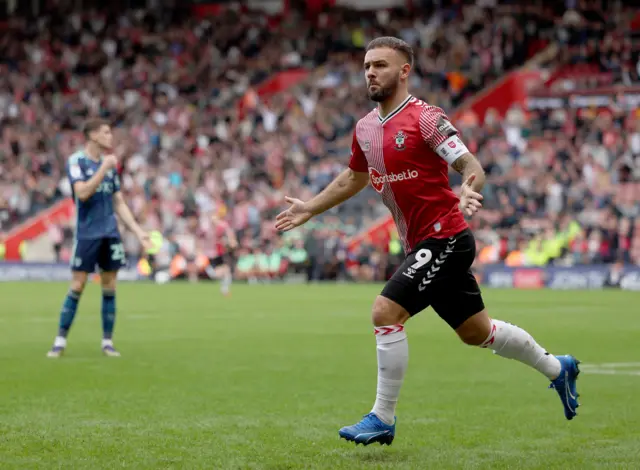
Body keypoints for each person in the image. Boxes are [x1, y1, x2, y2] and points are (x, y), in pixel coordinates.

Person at [275, 37, 580, 446]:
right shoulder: (365, 128)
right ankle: (557, 369)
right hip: (421, 243)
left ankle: (382, 417)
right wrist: (311, 207)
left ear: (404, 71)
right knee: (476, 332)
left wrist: (466, 190)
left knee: (385, 311)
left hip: (447, 237)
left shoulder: (425, 118)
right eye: (367, 65)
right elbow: (354, 178)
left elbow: (471, 165)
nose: (370, 72)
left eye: (381, 65)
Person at [47, 119, 151, 358]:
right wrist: (103, 167)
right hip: (87, 233)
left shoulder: (110, 165)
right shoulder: (77, 162)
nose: (110, 137)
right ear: (92, 135)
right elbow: (81, 193)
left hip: (110, 233)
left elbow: (118, 201)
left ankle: (107, 342)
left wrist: (138, 231)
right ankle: (60, 341)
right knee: (78, 285)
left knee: (110, 286)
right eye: (106, 132)